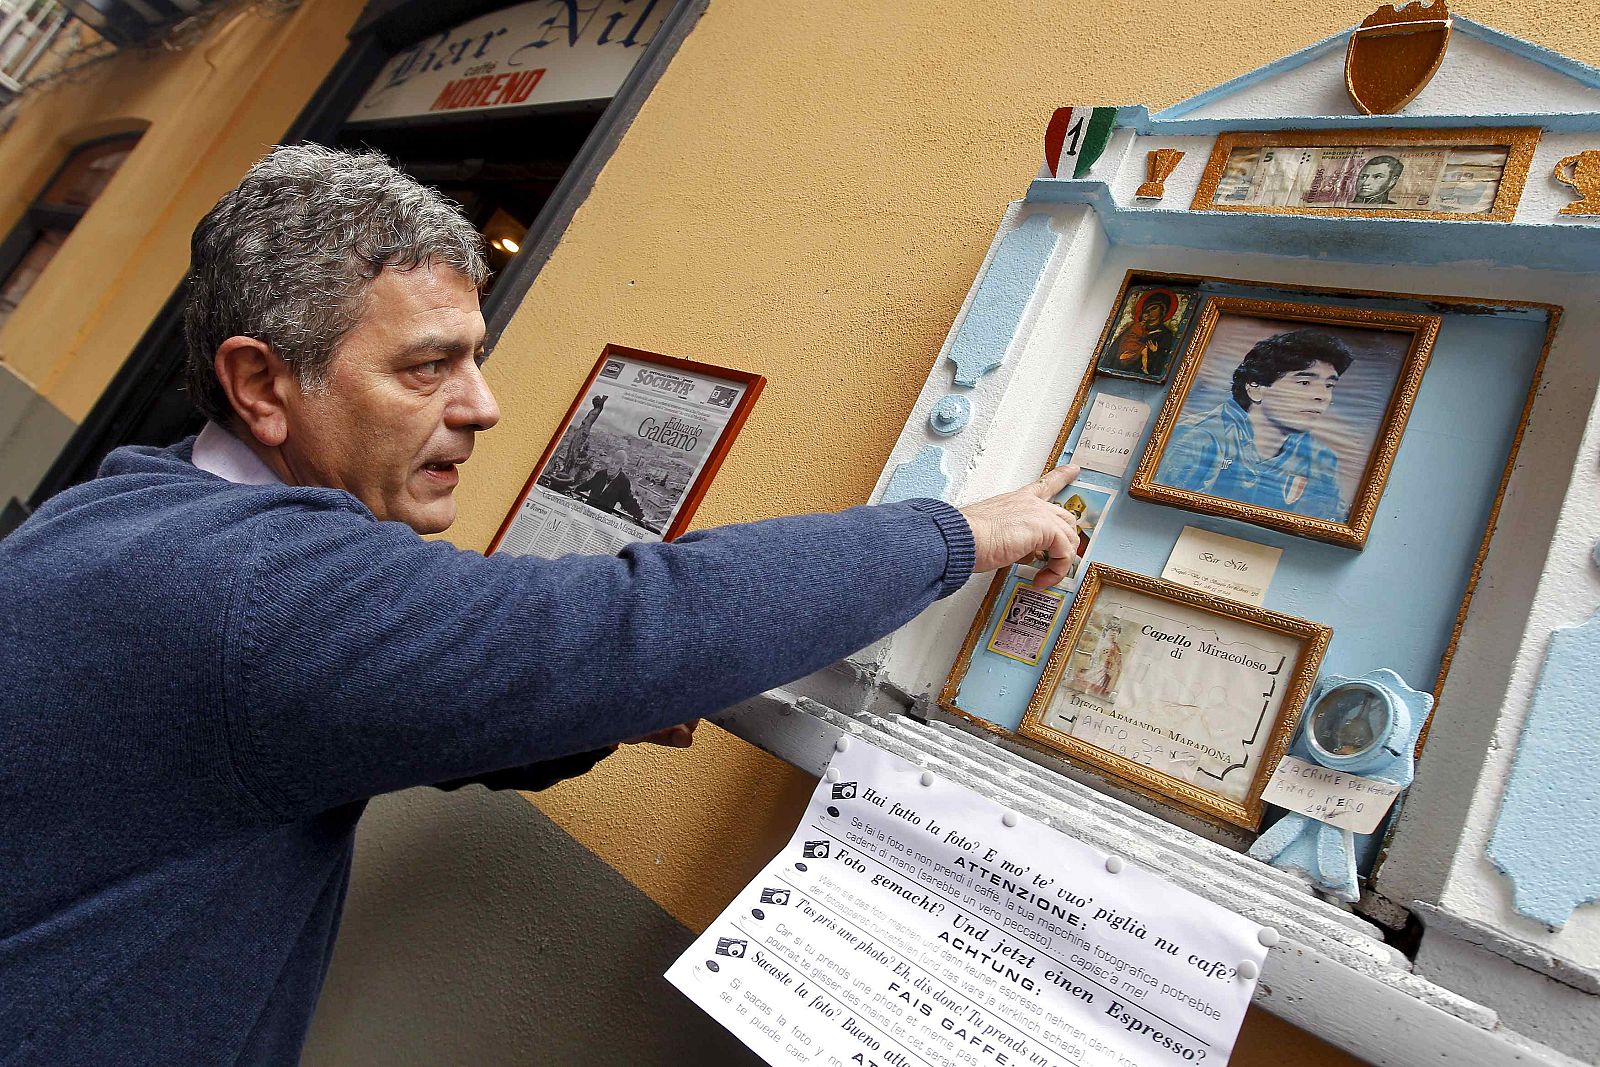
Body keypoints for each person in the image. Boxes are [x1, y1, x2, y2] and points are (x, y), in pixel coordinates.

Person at [0, 144, 1082, 1066]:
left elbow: (394, 711)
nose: (482, 406)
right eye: (427, 367)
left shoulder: (140, 502)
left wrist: (587, 707)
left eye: (475, 357)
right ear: (261, 385)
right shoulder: (255, 587)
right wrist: (953, 533)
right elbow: (629, 623)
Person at [1157, 329, 1351, 520]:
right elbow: (1165, 517)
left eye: (1329, 386)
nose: (1322, 396)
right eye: (1304, 383)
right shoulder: (1199, 437)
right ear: (1255, 388)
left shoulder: (1320, 459)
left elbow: (1324, 525)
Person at [1101, 288, 1179, 377]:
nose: (1150, 312)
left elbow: (1164, 357)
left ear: (1163, 310)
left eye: (1154, 308)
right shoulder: (1135, 327)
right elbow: (1115, 349)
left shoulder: (1165, 334)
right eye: (1147, 311)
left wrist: (1155, 351)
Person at [573, 446, 647, 525]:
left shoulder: (623, 482)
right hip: (586, 512)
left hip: (602, 519)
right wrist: (573, 488)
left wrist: (640, 516)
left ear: (621, 465)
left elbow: (628, 502)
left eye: (616, 463)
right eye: (612, 462)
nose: (612, 466)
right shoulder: (600, 474)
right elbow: (586, 485)